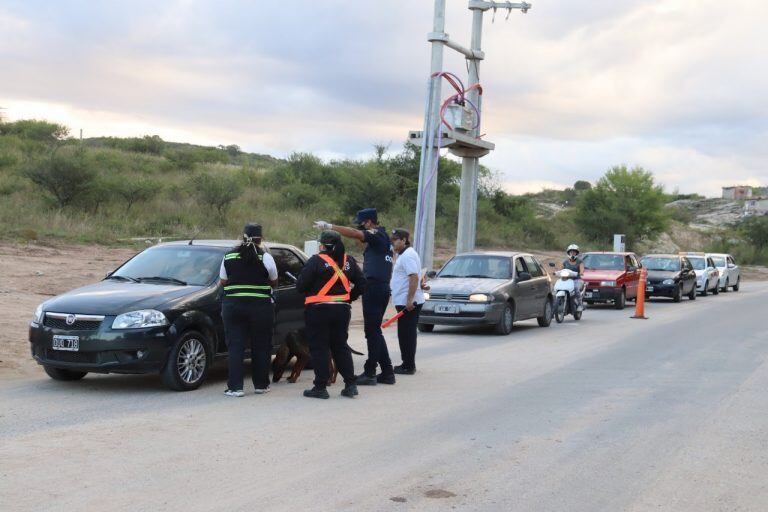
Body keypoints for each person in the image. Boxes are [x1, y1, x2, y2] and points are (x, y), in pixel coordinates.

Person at [314, 208, 395, 386]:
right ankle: (387, 371)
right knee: (375, 331)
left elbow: (354, 233)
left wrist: (329, 226)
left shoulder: (375, 234)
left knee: (372, 332)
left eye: (362, 225)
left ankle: (370, 371)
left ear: (368, 222)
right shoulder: (383, 238)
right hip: (380, 287)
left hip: (374, 287)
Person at [296, 230, 366, 399]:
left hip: (318, 311)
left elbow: (301, 286)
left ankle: (320, 387)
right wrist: (349, 298)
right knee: (340, 346)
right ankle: (350, 385)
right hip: (341, 311)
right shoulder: (348, 261)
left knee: (320, 348)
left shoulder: (316, 261)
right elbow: (363, 283)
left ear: (322, 245)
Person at [220, 224, 278, 397]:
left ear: (242, 237)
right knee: (261, 345)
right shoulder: (265, 257)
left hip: (233, 307)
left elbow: (223, 281)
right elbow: (274, 280)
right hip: (260, 307)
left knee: (235, 346)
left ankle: (235, 388)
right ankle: (261, 385)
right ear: (260, 239)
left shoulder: (228, 256)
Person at [389, 229, 425, 375]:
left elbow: (414, 277)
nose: (393, 241)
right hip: (405, 300)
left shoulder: (407, 255)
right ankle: (407, 363)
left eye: (396, 239)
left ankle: (408, 366)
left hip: (408, 303)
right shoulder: (404, 255)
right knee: (405, 334)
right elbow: (416, 276)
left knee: (407, 334)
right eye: (392, 239)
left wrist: (409, 300)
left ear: (404, 240)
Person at [563, 243, 585, 311]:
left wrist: (581, 273)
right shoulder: (565, 261)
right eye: (571, 252)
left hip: (577, 280)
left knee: (576, 289)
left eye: (574, 252)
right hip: (566, 279)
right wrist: (556, 272)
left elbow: (582, 269)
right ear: (568, 253)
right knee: (556, 288)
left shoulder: (580, 261)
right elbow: (560, 269)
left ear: (577, 253)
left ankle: (580, 305)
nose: (572, 253)